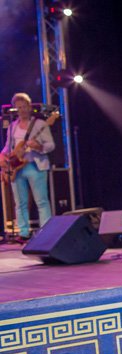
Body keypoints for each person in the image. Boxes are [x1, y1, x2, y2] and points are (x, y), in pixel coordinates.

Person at [0, 92, 55, 242]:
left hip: (35, 166)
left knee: (41, 201)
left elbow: (51, 145)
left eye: (24, 107)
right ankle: (23, 233)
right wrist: (2, 156)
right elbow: (8, 147)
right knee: (20, 203)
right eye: (19, 107)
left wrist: (39, 146)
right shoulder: (12, 127)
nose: (22, 110)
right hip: (17, 168)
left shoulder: (40, 124)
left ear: (29, 107)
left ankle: (46, 233)